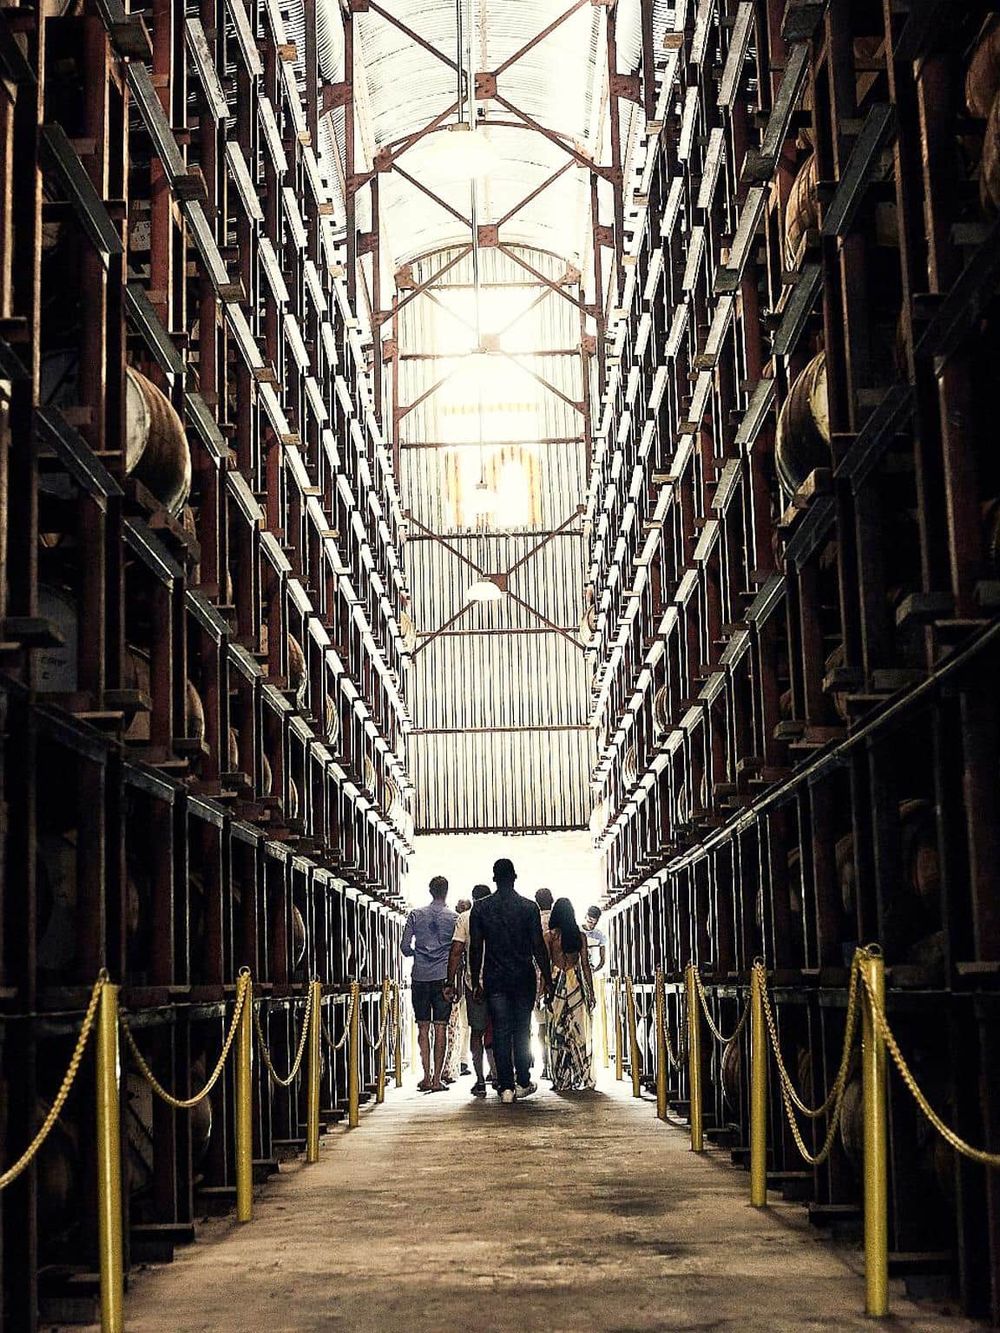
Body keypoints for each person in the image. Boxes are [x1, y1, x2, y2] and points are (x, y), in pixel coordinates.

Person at [469, 859, 553, 1105]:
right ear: (515, 877)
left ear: (494, 878)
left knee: (501, 1031)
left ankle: (505, 1086)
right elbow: (538, 946)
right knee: (522, 1029)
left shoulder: (481, 909)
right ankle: (523, 1081)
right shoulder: (528, 908)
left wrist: (476, 981)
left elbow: (476, 948)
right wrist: (547, 978)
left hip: (495, 978)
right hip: (522, 977)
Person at [401, 876, 457, 1092]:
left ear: (430, 890)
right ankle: (437, 1081)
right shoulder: (454, 918)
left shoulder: (415, 915)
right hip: (443, 977)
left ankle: (426, 1076)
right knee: (441, 1027)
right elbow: (457, 950)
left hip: (420, 976)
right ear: (446, 891)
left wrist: (418, 953)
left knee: (423, 1026)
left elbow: (405, 946)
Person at [445, 884, 495, 1096]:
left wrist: (450, 981)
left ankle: (480, 1079)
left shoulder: (464, 918)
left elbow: (456, 952)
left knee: (477, 1031)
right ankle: (500, 1076)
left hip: (474, 984)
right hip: (499, 982)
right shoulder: (498, 914)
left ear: (474, 899)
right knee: (500, 1030)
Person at [546, 897, 596, 1091]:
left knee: (556, 1031)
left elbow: (545, 966)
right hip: (575, 982)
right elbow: (585, 965)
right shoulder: (580, 935)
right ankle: (582, 1073)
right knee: (578, 1031)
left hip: (557, 981)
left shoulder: (550, 936)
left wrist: (542, 990)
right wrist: (590, 990)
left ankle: (560, 1078)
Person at [444, 898, 472, 1082]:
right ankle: (452, 1063)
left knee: (467, 1025)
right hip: (458, 983)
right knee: (453, 1026)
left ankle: (462, 1061)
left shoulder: (463, 924)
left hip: (466, 981)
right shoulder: (457, 924)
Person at [534, 889, 554, 1078]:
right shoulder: (557, 922)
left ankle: (544, 1063)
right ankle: (555, 1063)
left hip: (536, 977)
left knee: (540, 1026)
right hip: (557, 978)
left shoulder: (533, 921)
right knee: (554, 1024)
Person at [583, 905, 607, 974]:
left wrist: (594, 971)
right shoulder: (576, 931)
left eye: (595, 923)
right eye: (590, 922)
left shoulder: (599, 936)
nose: (592, 926)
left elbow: (602, 959)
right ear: (585, 916)